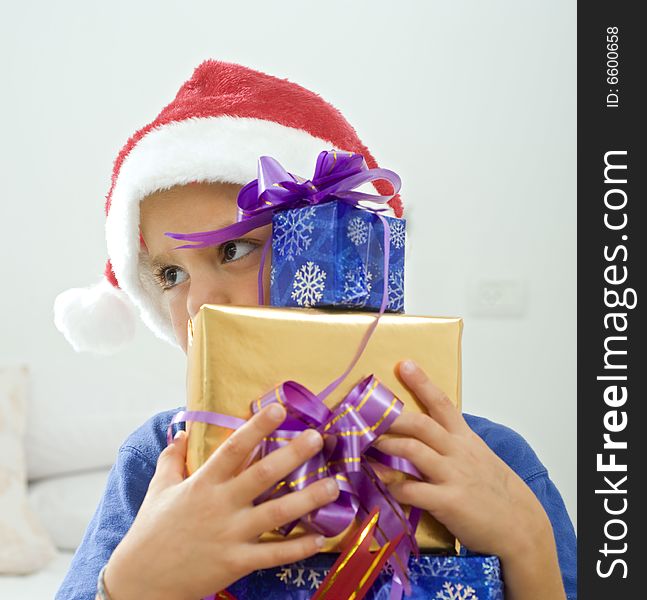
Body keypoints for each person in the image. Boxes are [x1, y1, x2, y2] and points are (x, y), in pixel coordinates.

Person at [53, 60, 576, 600]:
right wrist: (131, 586)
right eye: (171, 275)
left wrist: (528, 543)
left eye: (234, 249)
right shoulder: (156, 465)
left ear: (338, 248)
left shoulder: (492, 459)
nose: (199, 303)